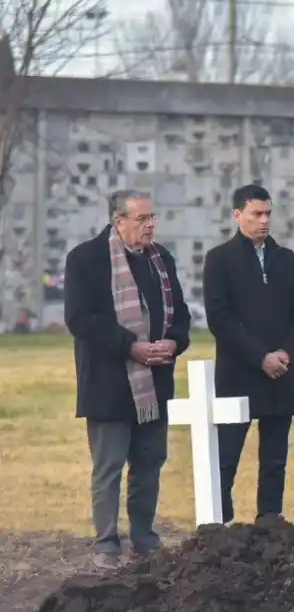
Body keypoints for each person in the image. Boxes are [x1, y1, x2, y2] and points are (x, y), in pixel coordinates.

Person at [63, 190, 191, 571]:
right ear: (118, 221)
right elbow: (81, 319)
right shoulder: (86, 259)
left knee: (150, 462)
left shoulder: (161, 260)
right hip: (109, 383)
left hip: (154, 382)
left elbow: (180, 314)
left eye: (153, 217)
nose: (150, 224)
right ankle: (105, 543)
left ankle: (144, 537)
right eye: (142, 219)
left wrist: (174, 341)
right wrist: (130, 347)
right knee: (109, 467)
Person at [202, 184, 294, 523]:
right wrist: (259, 356)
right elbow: (219, 318)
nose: (264, 221)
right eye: (256, 214)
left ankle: (270, 520)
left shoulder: (285, 259)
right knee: (226, 456)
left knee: (275, 458)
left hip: (280, 371)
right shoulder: (219, 260)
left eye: (268, 214)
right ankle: (219, 523)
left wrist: (285, 353)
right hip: (239, 372)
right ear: (238, 215)